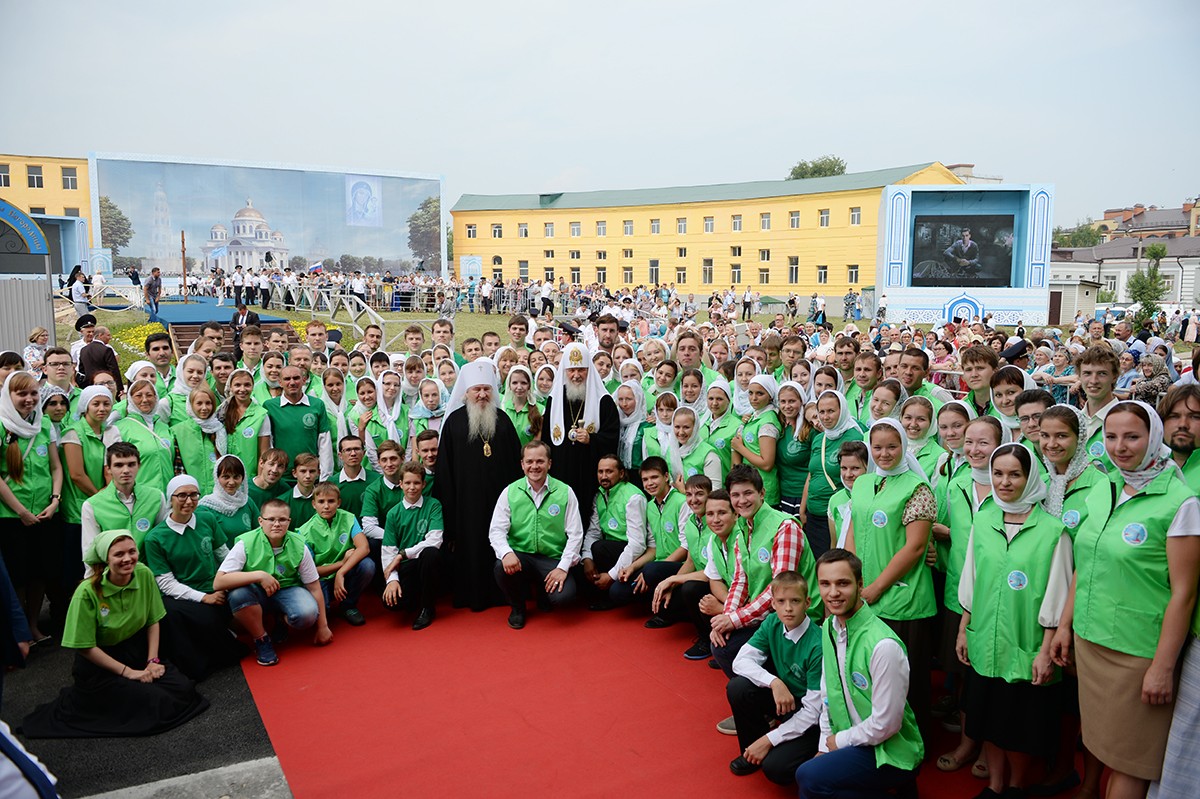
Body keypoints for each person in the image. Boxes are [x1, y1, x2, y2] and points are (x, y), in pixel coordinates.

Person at [1050, 401, 1200, 799]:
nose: (1120, 446)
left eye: (1132, 436)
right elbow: (1085, 562)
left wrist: (1162, 667)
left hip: (1137, 653)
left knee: (1130, 763)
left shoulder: (1180, 503)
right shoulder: (1106, 486)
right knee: (1099, 743)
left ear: (1154, 438)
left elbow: (1184, 594)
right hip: (1091, 640)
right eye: (1112, 436)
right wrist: (1065, 625)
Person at [957, 444, 1072, 797]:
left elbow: (1058, 595)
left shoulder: (1053, 531)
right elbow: (971, 579)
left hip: (1026, 645)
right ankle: (994, 785)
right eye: (998, 473)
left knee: (1019, 727)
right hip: (984, 640)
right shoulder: (984, 521)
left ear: (1031, 477)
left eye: (1014, 474)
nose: (1004, 482)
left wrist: (1045, 651)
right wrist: (963, 629)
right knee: (989, 721)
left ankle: (1016, 786)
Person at [21, 530, 208, 738]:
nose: (127, 559)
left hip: (136, 652)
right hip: (100, 665)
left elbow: (153, 620)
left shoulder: (144, 573)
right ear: (106, 559)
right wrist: (128, 672)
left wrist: (152, 660)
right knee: (155, 703)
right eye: (119, 554)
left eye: (132, 551)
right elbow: (85, 647)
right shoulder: (87, 592)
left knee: (182, 688)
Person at [792, 549, 923, 799]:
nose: (833, 593)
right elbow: (828, 694)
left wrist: (839, 742)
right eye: (825, 584)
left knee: (809, 778)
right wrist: (824, 745)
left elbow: (887, 724)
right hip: (853, 738)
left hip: (889, 750)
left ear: (860, 585)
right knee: (803, 774)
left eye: (843, 583)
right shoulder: (828, 627)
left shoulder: (883, 645)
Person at [845, 418, 937, 735]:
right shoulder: (862, 483)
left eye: (892, 447)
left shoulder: (917, 488)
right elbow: (853, 532)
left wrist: (876, 588)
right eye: (878, 447)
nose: (884, 454)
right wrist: (851, 581)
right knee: (872, 674)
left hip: (902, 599)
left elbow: (915, 548)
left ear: (904, 446)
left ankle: (913, 741)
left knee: (906, 678)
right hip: (865, 595)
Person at [435, 359, 523, 611]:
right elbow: (445, 471)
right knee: (471, 547)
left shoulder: (503, 420)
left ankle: (503, 593)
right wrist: (450, 514)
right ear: (466, 392)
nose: (482, 394)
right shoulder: (453, 423)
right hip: (466, 505)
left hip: (499, 502)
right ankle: (473, 596)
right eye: (477, 389)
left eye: (487, 389)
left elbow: (516, 465)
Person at [143, 475, 246, 681]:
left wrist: (225, 583)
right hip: (182, 595)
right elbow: (166, 583)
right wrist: (204, 597)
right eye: (182, 495)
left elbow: (223, 555)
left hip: (214, 586)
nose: (189, 501)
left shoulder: (206, 519)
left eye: (194, 495)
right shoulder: (155, 538)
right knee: (191, 616)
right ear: (170, 498)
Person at [725, 571, 823, 784]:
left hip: (811, 710)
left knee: (776, 768)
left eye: (795, 601)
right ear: (773, 604)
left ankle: (796, 750)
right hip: (784, 698)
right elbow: (740, 661)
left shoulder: (818, 643)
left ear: (807, 602)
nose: (788, 608)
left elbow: (814, 710)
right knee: (738, 687)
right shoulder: (772, 622)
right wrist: (774, 682)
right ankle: (752, 751)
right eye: (781, 601)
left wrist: (770, 739)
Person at [214, 500, 334, 667]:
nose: (276, 524)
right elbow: (219, 582)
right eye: (270, 519)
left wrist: (323, 626)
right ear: (260, 521)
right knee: (238, 594)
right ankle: (261, 639)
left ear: (289, 522)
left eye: (282, 519)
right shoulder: (246, 542)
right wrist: (259, 575)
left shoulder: (300, 545)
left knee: (307, 615)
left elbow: (314, 587)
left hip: (287, 590)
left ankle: (281, 621)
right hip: (256, 592)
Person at [488, 440, 584, 629]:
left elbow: (576, 535)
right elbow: (496, 530)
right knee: (500, 566)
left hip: (552, 558)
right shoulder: (510, 492)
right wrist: (506, 553)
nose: (534, 466)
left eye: (540, 461)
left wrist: (562, 568)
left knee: (564, 597)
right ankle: (518, 608)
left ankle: (543, 592)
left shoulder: (565, 492)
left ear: (549, 463)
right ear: (522, 464)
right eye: (529, 461)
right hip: (521, 556)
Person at [0, 373, 63, 644]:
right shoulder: (2, 425)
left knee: (40, 573)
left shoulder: (44, 423)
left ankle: (33, 625)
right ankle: (18, 632)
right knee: (18, 576)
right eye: (21, 394)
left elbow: (55, 467)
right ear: (8, 396)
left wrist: (55, 500)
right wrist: (20, 511)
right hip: (11, 516)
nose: (29, 399)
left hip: (44, 513)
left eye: (34, 393)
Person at [543, 342, 620, 526]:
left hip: (589, 473)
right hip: (561, 471)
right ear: (564, 371)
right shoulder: (555, 399)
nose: (576, 375)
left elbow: (612, 438)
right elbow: (546, 438)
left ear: (589, 370)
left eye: (581, 370)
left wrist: (592, 439)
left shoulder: (604, 401)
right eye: (571, 370)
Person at [297, 482, 374, 627]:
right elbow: (310, 571)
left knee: (367, 565)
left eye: (331, 501)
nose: (326, 506)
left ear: (338, 502)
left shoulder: (349, 518)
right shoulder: (304, 532)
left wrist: (341, 572)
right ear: (314, 504)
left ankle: (348, 605)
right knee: (321, 613)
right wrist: (341, 564)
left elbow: (364, 548)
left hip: (346, 572)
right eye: (321, 502)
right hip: (321, 578)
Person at [381, 461, 443, 630]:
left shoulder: (433, 505)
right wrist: (392, 580)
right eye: (407, 483)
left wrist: (403, 554)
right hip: (406, 567)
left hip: (425, 563)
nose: (412, 487)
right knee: (392, 603)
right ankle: (415, 597)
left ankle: (427, 608)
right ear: (401, 484)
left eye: (416, 483)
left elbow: (435, 540)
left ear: (423, 484)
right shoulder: (393, 513)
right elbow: (388, 552)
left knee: (431, 553)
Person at [80, 442, 168, 562]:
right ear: (108, 469)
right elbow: (90, 552)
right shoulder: (92, 505)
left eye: (131, 464)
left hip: (148, 570)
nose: (126, 470)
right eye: (119, 465)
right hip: (112, 571)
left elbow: (163, 540)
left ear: (139, 466)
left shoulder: (156, 497)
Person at [803, 391, 864, 557]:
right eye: (821, 412)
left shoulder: (854, 437)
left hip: (837, 513)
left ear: (842, 410)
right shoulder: (819, 438)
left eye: (831, 411)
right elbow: (812, 474)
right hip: (813, 515)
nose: (825, 417)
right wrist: (803, 509)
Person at [581, 455, 647, 606]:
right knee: (583, 566)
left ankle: (608, 591)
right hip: (612, 553)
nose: (604, 476)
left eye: (609, 471)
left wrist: (611, 576)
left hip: (635, 555)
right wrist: (587, 559)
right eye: (600, 472)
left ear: (621, 473)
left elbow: (637, 545)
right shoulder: (600, 495)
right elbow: (593, 532)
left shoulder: (633, 497)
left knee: (600, 548)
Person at [263, 365, 334, 480]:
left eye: (296, 378)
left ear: (304, 380)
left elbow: (324, 443)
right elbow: (268, 442)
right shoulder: (270, 406)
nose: (292, 383)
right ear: (280, 382)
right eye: (287, 379)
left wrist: (325, 477)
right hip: (281, 476)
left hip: (309, 475)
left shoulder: (317, 404)